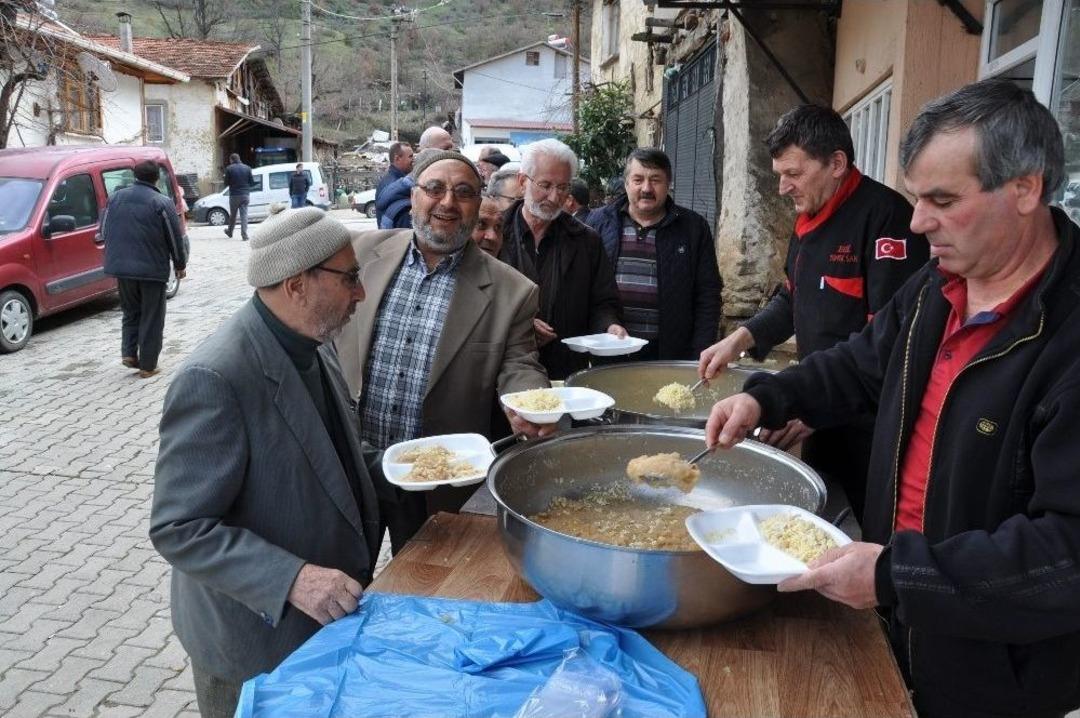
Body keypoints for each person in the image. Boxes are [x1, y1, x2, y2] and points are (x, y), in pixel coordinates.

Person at [705, 79, 1080, 718]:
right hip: (898, 622)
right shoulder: (938, 285)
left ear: (1025, 188)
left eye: (942, 199)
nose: (916, 222)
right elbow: (859, 365)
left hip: (1002, 676)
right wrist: (768, 398)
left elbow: (1067, 555)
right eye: (914, 198)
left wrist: (893, 575)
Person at [150, 207, 383, 718]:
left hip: (316, 630)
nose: (361, 293)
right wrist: (293, 579)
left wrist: (398, 466)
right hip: (252, 646)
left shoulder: (313, 345)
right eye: (350, 278)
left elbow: (326, 457)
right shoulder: (215, 378)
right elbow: (179, 527)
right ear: (297, 285)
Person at [698, 104, 929, 521]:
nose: (783, 187)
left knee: (872, 526)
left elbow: (888, 346)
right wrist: (738, 340)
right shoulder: (809, 219)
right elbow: (793, 297)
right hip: (820, 402)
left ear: (836, 163)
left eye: (794, 173)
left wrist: (810, 407)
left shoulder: (887, 220)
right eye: (779, 175)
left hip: (871, 421)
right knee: (825, 514)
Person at [337, 150, 552, 552]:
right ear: (413, 196)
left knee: (423, 591)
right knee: (341, 586)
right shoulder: (359, 252)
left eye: (464, 192)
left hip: (434, 478)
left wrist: (530, 406)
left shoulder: (512, 291)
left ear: (478, 204)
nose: (448, 202)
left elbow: (520, 365)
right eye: (434, 189)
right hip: (352, 464)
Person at [499, 138, 625, 380]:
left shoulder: (586, 240)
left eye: (563, 187)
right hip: (502, 371)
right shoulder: (494, 235)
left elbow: (604, 301)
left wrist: (609, 326)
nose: (555, 197)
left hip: (564, 369)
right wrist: (521, 325)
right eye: (545, 185)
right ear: (523, 181)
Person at [587, 148, 721, 361]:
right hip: (609, 348)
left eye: (656, 180)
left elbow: (708, 294)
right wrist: (603, 325)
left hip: (669, 353)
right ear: (626, 183)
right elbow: (586, 288)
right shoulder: (597, 223)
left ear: (668, 184)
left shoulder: (693, 228)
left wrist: (701, 351)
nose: (646, 188)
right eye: (638, 179)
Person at [101, 160, 188, 378]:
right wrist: (180, 264)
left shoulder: (115, 198)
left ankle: (129, 353)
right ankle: (148, 366)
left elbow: (103, 230)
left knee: (130, 312)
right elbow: (174, 237)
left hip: (122, 268)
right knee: (152, 316)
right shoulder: (162, 202)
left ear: (135, 176)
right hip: (152, 270)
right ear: (156, 177)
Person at [375, 142, 414, 225]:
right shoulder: (395, 186)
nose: (413, 160)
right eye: (410, 156)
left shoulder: (390, 180)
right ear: (397, 159)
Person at [223, 153, 254, 241]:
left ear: (231, 160)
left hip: (234, 195)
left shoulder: (229, 168)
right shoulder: (247, 168)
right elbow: (251, 182)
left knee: (233, 215)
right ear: (239, 159)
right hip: (245, 195)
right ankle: (244, 235)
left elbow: (226, 183)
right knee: (244, 215)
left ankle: (230, 232)